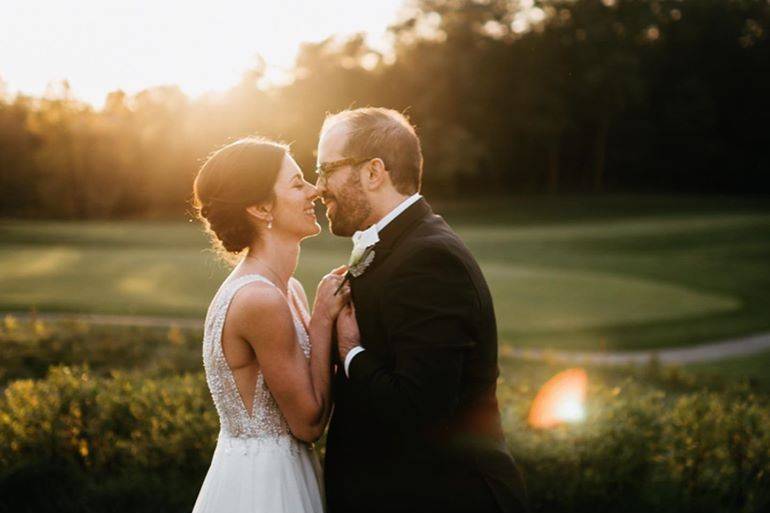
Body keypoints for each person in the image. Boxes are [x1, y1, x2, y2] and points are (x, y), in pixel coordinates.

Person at [316, 108, 529, 513]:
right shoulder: (401, 247)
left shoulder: (429, 259)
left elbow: (419, 411)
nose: (319, 187)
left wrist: (351, 352)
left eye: (326, 169)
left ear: (373, 172)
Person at [190, 137, 346, 513]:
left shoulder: (288, 289)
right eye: (297, 184)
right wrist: (324, 317)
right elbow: (308, 424)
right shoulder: (259, 300)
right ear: (261, 208)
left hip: (289, 469)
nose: (315, 190)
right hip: (264, 485)